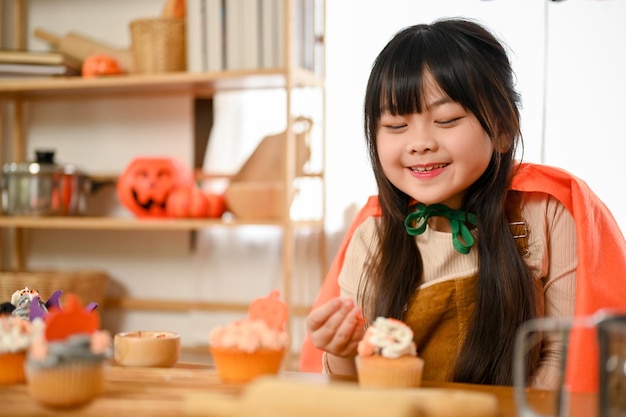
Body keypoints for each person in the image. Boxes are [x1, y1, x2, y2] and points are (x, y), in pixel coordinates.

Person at [301, 18, 626, 393]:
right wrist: (341, 350)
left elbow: (564, 357)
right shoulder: (373, 235)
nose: (420, 143)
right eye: (395, 125)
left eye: (446, 119)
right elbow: (354, 385)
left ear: (503, 129)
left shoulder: (546, 214)